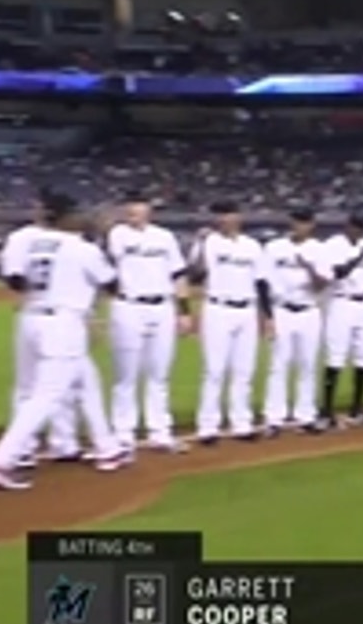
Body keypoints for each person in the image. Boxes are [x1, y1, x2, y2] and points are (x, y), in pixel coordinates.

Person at [0, 193, 132, 490]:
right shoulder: (81, 248)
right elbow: (113, 284)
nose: (82, 216)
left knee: (86, 379)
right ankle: (0, 462)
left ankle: (107, 447)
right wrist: (103, 238)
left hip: (31, 319)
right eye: (77, 212)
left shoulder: (35, 244)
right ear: (64, 217)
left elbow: (16, 279)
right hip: (62, 325)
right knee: (45, 396)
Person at [0, 193, 82, 464]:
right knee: (34, 384)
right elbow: (14, 277)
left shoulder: (24, 238)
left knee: (54, 383)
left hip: (38, 315)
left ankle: (62, 442)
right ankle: (26, 447)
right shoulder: (63, 241)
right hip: (48, 316)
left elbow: (14, 277)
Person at [105, 193, 192, 453]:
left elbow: (178, 273)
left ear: (149, 211)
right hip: (128, 305)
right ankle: (123, 433)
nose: (135, 215)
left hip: (162, 307)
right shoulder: (117, 234)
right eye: (131, 211)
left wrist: (184, 311)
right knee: (126, 375)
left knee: (159, 373)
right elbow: (108, 262)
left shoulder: (164, 237)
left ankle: (160, 431)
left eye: (140, 210)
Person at [190, 201, 273, 445]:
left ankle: (242, 424)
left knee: (244, 371)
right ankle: (207, 427)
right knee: (214, 370)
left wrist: (267, 316)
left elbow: (261, 283)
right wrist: (201, 246)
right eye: (221, 215)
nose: (226, 219)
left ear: (239, 217)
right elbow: (195, 275)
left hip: (246, 309)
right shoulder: (209, 242)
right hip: (218, 307)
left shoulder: (253, 246)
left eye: (230, 214)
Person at [262, 208, 332, 436]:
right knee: (279, 365)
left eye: (305, 222)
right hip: (282, 309)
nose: (300, 226)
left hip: (309, 310)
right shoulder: (274, 248)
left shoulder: (320, 250)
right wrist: (267, 316)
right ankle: (274, 418)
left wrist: (308, 267)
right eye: (297, 221)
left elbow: (322, 284)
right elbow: (264, 282)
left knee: (308, 365)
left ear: (312, 225)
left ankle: (306, 415)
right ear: (291, 223)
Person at [320, 211, 363, 427]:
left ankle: (357, 409)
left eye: (362, 226)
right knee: (336, 356)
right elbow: (337, 273)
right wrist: (357, 258)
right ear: (347, 225)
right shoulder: (333, 245)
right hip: (341, 302)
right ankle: (326, 411)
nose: (358, 230)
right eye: (356, 225)